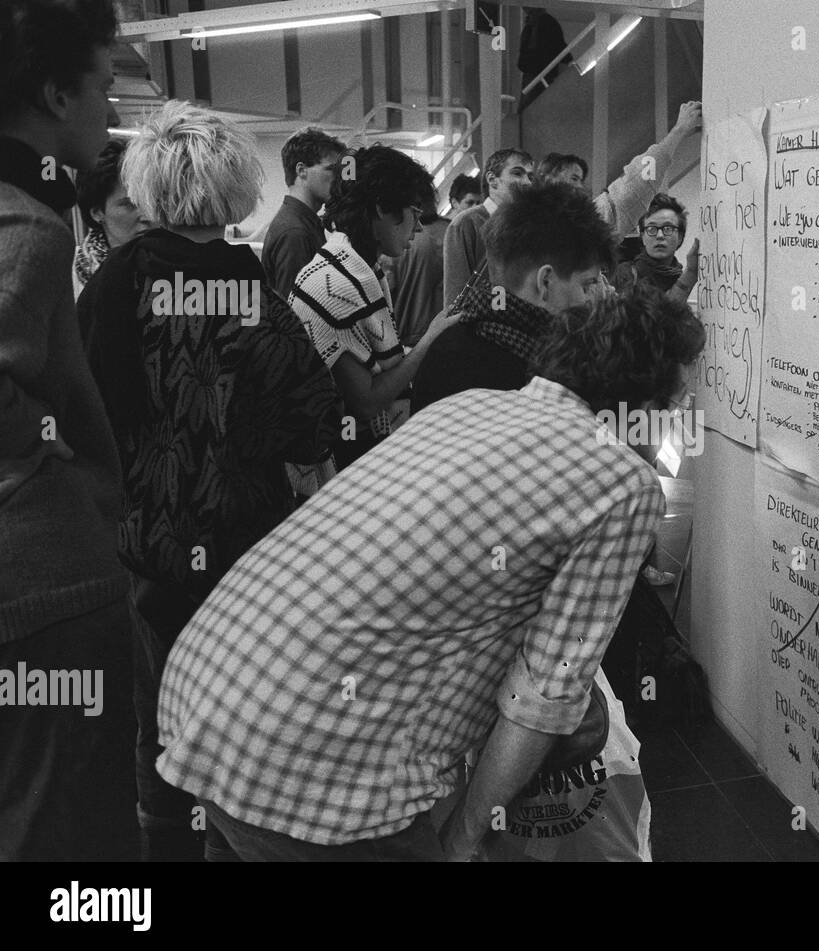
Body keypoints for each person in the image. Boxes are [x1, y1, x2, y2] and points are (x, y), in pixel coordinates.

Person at [154, 285, 705, 861]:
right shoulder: (621, 481)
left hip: (207, 691)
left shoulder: (469, 405)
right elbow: (543, 696)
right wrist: (463, 839)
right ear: (642, 408)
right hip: (313, 765)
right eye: (673, 407)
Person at [78, 99, 343, 861]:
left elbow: (82, 413)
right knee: (238, 730)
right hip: (246, 555)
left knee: (157, 729)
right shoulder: (253, 291)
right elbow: (312, 426)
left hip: (144, 549)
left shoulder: (111, 287)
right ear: (234, 187)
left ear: (149, 187)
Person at [0, 0, 136, 862]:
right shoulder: (25, 227)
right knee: (72, 835)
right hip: (44, 587)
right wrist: (55, 475)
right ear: (55, 94)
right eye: (101, 85)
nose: (111, 109)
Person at [289, 144, 456, 469]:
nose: (419, 228)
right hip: (340, 457)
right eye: (415, 213)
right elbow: (365, 402)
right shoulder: (337, 282)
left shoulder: (357, 267)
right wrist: (432, 337)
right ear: (382, 208)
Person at [413, 179, 610, 411]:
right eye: (586, 286)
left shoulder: (446, 346)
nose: (591, 301)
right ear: (545, 281)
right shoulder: (550, 379)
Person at [535, 100, 703, 239]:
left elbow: (634, 187)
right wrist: (677, 132)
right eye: (573, 178)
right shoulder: (562, 227)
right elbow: (635, 187)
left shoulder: (573, 221)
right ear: (547, 178)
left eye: (580, 180)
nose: (579, 187)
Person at [385, 173, 480, 348]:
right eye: (470, 202)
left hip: (405, 343)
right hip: (449, 338)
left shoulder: (391, 243)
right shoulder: (456, 233)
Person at [442, 147, 533, 309]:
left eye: (530, 176)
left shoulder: (527, 226)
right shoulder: (465, 224)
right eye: (517, 173)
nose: (527, 182)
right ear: (492, 179)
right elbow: (456, 295)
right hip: (478, 327)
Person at [262, 126, 345, 300]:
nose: (339, 178)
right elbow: (296, 311)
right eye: (331, 169)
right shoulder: (295, 232)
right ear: (301, 171)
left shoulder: (302, 223)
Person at [72, 137, 149, 301]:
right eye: (130, 204)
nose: (148, 215)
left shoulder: (179, 269)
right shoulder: (67, 279)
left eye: (151, 201)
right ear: (97, 212)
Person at [614, 192, 700, 303]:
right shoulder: (625, 274)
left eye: (668, 229)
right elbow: (658, 317)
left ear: (680, 237)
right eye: (651, 229)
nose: (660, 236)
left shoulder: (677, 276)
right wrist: (690, 274)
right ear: (643, 237)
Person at [518, 7, 572, 108]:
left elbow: (556, 46)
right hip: (538, 71)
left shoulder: (544, 23)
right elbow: (560, 46)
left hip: (539, 71)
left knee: (530, 105)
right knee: (532, 104)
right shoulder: (539, 24)